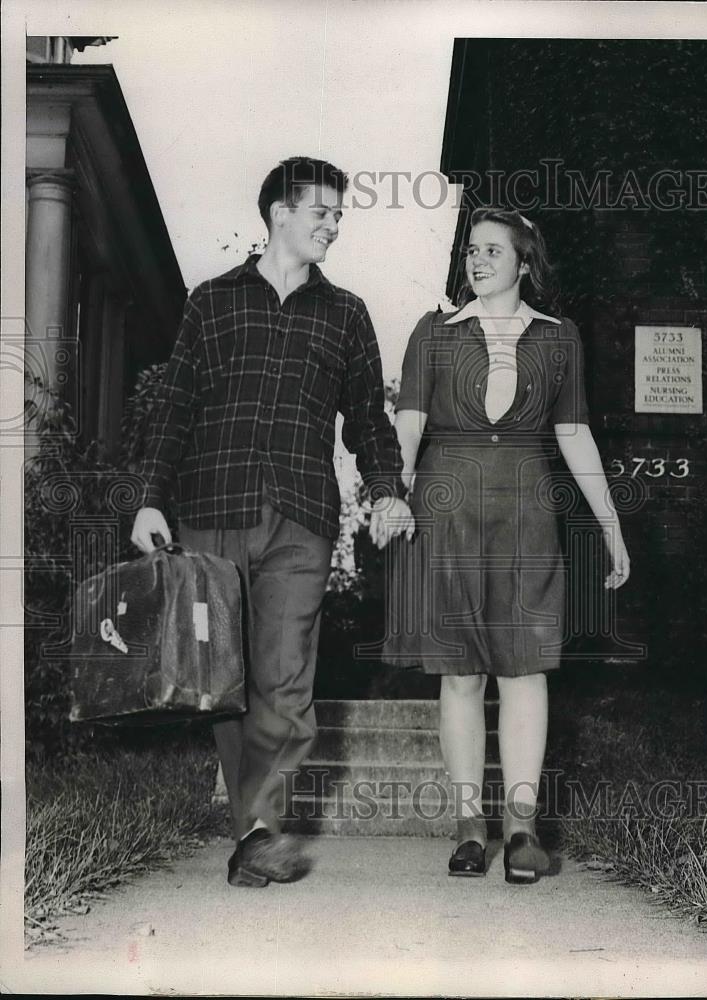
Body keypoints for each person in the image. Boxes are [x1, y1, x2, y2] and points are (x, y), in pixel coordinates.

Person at [131, 156, 412, 887]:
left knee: (285, 673)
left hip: (301, 514)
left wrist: (386, 489)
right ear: (278, 213)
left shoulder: (345, 312)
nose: (333, 224)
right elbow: (176, 410)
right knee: (225, 681)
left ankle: (259, 827)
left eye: (338, 214)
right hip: (210, 508)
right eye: (321, 211)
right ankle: (250, 826)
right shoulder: (211, 302)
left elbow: (369, 421)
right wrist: (149, 499)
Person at [383, 208, 630, 882]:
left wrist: (609, 524)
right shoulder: (434, 333)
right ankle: (469, 829)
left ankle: (521, 830)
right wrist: (390, 496)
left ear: (525, 264)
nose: (478, 259)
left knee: (525, 669)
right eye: (471, 249)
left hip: (527, 510)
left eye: (494, 250)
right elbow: (406, 427)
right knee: (460, 673)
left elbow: (574, 434)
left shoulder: (558, 339)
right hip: (446, 510)